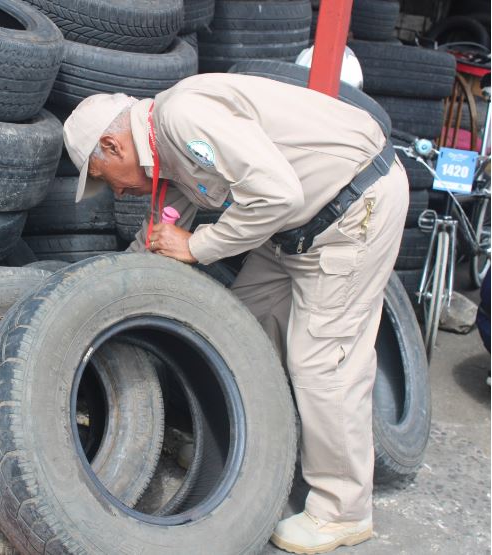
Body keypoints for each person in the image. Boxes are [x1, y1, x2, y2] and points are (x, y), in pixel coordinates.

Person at [62, 73, 409, 554]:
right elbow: (163, 233)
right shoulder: (166, 153)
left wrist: (199, 246)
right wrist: (110, 295)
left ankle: (342, 511)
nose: (116, 193)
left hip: (352, 210)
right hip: (291, 229)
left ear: (113, 145)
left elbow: (276, 194)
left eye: (104, 179)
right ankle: (245, 458)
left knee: (322, 363)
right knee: (239, 332)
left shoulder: (184, 119)